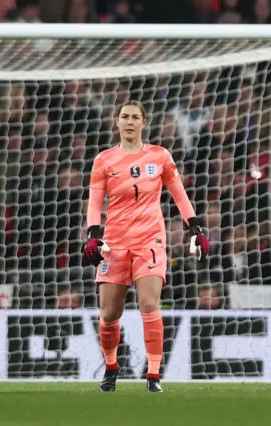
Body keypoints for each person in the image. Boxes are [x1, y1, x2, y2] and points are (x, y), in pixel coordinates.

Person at [82, 100, 209, 392]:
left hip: (150, 239)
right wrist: (92, 235)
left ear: (143, 123)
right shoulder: (104, 160)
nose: (129, 121)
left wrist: (195, 228)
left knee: (149, 304)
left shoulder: (160, 156)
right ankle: (112, 367)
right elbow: (95, 202)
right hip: (114, 242)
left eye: (135, 117)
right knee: (109, 314)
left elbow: (179, 194)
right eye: (124, 116)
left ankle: (153, 376)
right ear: (117, 122)